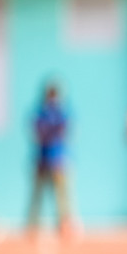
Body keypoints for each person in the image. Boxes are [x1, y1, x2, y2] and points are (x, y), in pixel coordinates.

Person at [27, 81, 77, 238]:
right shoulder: (40, 112)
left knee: (63, 197)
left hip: (59, 159)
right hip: (42, 160)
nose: (53, 97)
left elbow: (67, 131)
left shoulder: (63, 111)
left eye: (55, 94)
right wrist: (51, 132)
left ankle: (65, 226)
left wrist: (50, 132)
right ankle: (32, 225)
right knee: (37, 196)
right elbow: (37, 134)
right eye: (51, 93)